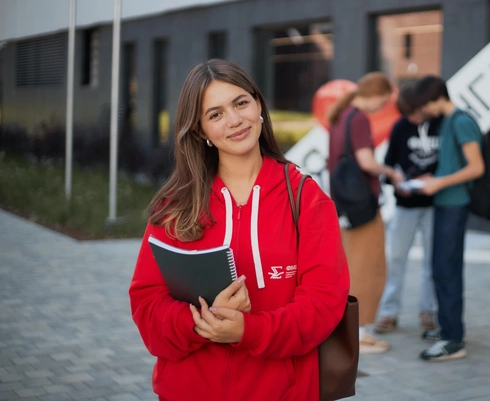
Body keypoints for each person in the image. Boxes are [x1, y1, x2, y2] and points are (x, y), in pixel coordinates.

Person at [129, 59, 350, 400]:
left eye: (241, 103)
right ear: (200, 130)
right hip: (188, 391)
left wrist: (248, 331)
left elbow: (323, 306)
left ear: (258, 104)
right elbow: (147, 304)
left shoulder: (306, 199)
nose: (234, 120)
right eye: (215, 114)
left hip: (283, 392)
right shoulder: (174, 207)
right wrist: (200, 324)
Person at [326, 72, 404, 354]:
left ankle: (352, 331)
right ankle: (359, 334)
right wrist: (391, 172)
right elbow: (366, 162)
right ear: (375, 94)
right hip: (362, 206)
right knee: (368, 268)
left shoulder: (340, 115)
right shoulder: (357, 117)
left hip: (344, 203)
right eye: (383, 101)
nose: (381, 107)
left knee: (350, 267)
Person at [414, 75, 484, 361]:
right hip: (445, 203)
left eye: (424, 105)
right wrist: (434, 178)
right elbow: (455, 165)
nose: (424, 111)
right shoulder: (448, 122)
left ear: (435, 98)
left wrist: (439, 184)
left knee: (447, 270)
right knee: (440, 267)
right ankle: (447, 328)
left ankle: (453, 339)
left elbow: (476, 168)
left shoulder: (461, 121)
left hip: (455, 205)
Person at [374, 83, 441, 339]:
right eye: (408, 113)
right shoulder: (401, 127)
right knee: (397, 259)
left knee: (431, 262)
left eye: (414, 112)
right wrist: (396, 182)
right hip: (406, 205)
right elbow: (389, 165)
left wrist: (434, 177)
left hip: (435, 204)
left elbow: (451, 163)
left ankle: (428, 312)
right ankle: (389, 312)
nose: (412, 118)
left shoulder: (440, 124)